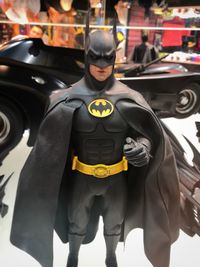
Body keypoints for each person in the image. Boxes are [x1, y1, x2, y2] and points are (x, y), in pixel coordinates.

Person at [10, 16, 180, 267]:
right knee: (75, 224)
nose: (101, 64)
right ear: (86, 56)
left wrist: (143, 147)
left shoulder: (129, 97)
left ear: (115, 58)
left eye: (108, 58)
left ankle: (111, 257)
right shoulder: (65, 97)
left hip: (116, 178)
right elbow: (52, 147)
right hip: (82, 176)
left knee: (114, 225)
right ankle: (73, 256)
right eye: (95, 57)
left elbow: (148, 133)